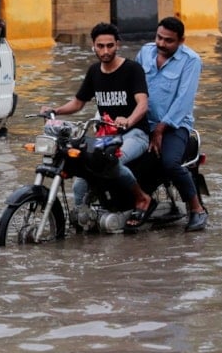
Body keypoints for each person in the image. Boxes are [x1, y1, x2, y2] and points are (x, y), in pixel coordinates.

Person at [41, 22, 155, 223]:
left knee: (112, 162)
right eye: (100, 46)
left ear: (117, 44)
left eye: (110, 45)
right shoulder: (94, 71)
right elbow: (78, 103)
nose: (105, 51)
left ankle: (142, 198)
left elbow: (143, 104)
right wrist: (55, 111)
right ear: (93, 46)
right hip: (106, 137)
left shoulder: (132, 69)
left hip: (135, 133)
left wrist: (128, 121)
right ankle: (81, 218)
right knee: (80, 177)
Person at [136, 16, 208, 231]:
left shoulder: (191, 60)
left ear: (181, 41)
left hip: (175, 125)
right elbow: (133, 86)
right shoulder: (145, 52)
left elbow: (183, 101)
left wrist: (160, 128)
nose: (161, 43)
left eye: (168, 40)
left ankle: (197, 209)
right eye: (159, 37)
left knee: (170, 164)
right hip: (143, 121)